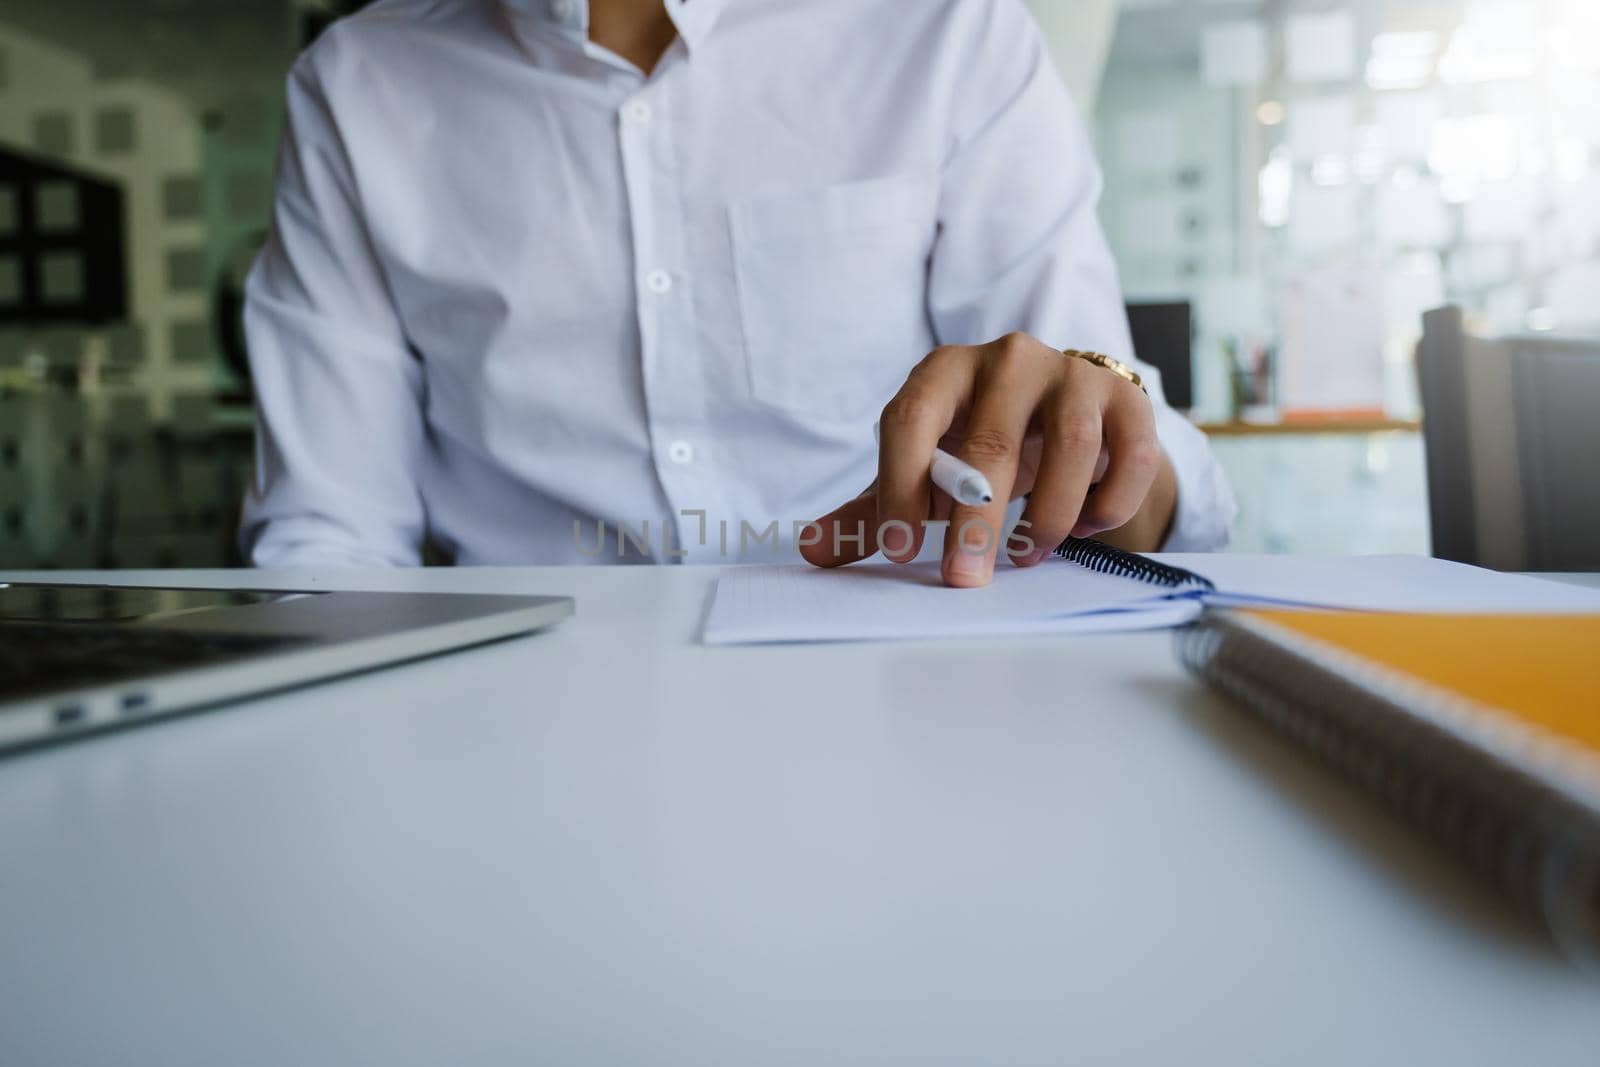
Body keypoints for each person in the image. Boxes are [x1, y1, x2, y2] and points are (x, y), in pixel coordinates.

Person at [241, 0, 1236, 587]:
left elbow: (1101, 464)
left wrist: (1103, 458)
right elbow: (327, 536)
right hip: (515, 729)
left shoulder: (945, 32)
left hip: (905, 693)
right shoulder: (358, 85)